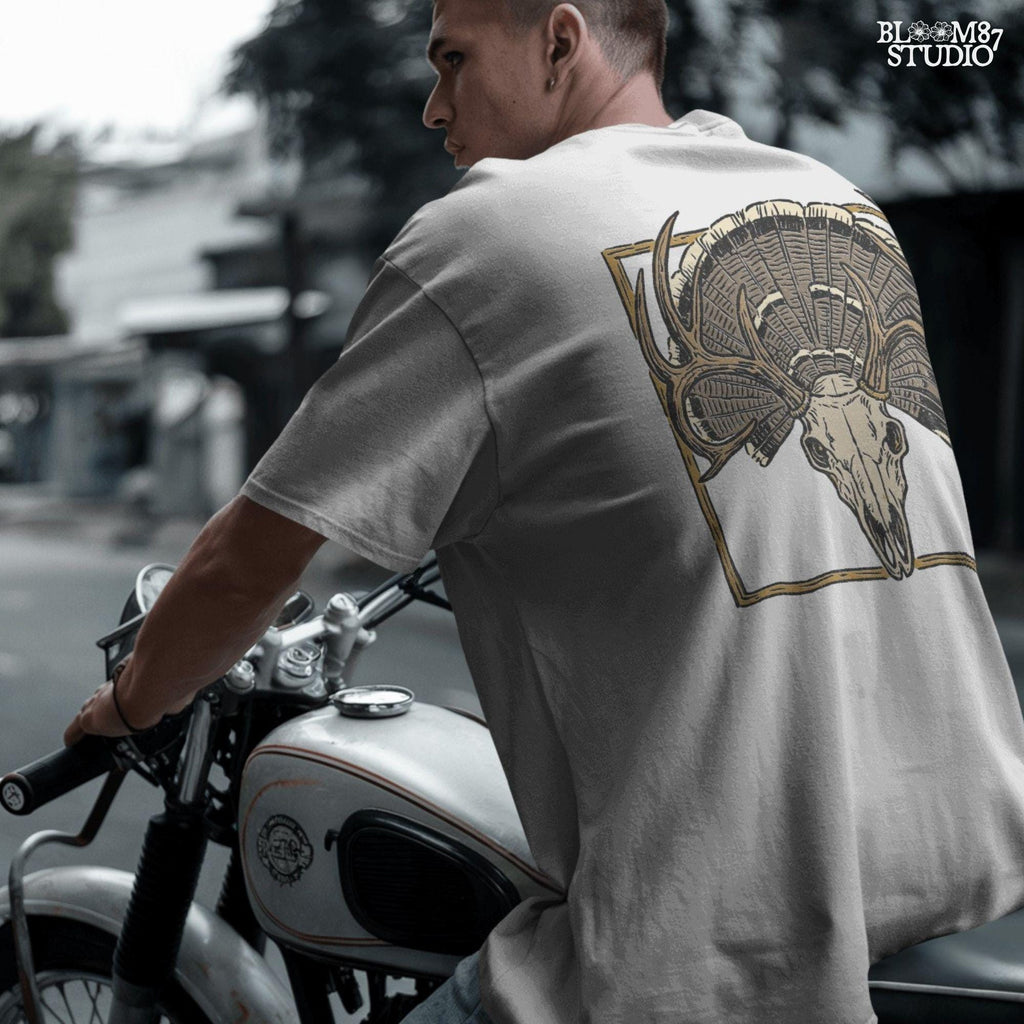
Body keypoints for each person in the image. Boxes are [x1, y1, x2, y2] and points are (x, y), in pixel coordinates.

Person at [64, 0, 1024, 1022]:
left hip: (716, 941)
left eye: (454, 60)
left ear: (559, 40)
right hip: (955, 858)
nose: (436, 107)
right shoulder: (831, 198)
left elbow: (245, 564)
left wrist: (128, 704)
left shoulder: (487, 234)